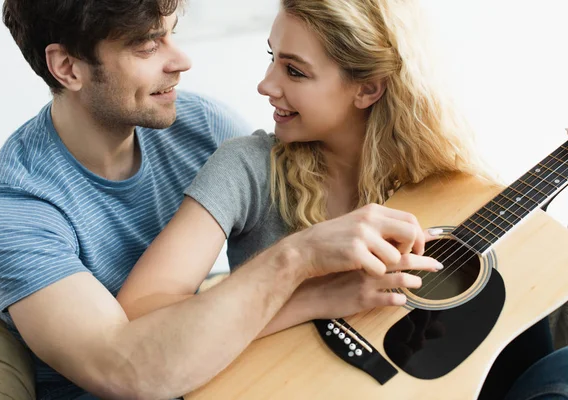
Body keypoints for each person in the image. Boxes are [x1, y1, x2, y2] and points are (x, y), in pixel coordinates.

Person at [0, 0, 443, 398]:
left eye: (172, 34)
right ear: (68, 67)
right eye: (148, 45)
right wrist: (299, 264)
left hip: (196, 360)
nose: (182, 61)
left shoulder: (202, 126)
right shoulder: (11, 206)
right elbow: (127, 369)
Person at [115, 0, 568, 400]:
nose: (265, 85)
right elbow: (138, 323)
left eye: (294, 70)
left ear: (368, 88)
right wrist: (313, 294)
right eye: (273, 59)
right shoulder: (248, 167)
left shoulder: (449, 186)